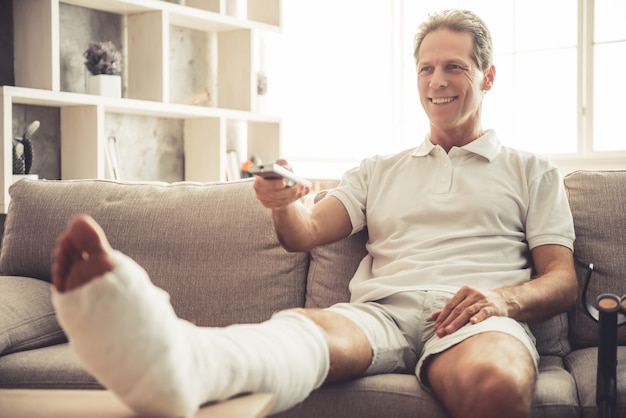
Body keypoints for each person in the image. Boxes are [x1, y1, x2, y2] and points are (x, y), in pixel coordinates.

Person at [51, 9, 577, 418]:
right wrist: (284, 205)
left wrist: (503, 299)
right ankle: (181, 366)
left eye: (454, 67)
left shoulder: (532, 170)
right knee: (297, 334)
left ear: (487, 77)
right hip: (381, 316)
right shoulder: (378, 169)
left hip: (475, 320)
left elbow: (563, 280)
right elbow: (304, 234)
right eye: (426, 68)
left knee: (498, 387)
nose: (437, 80)